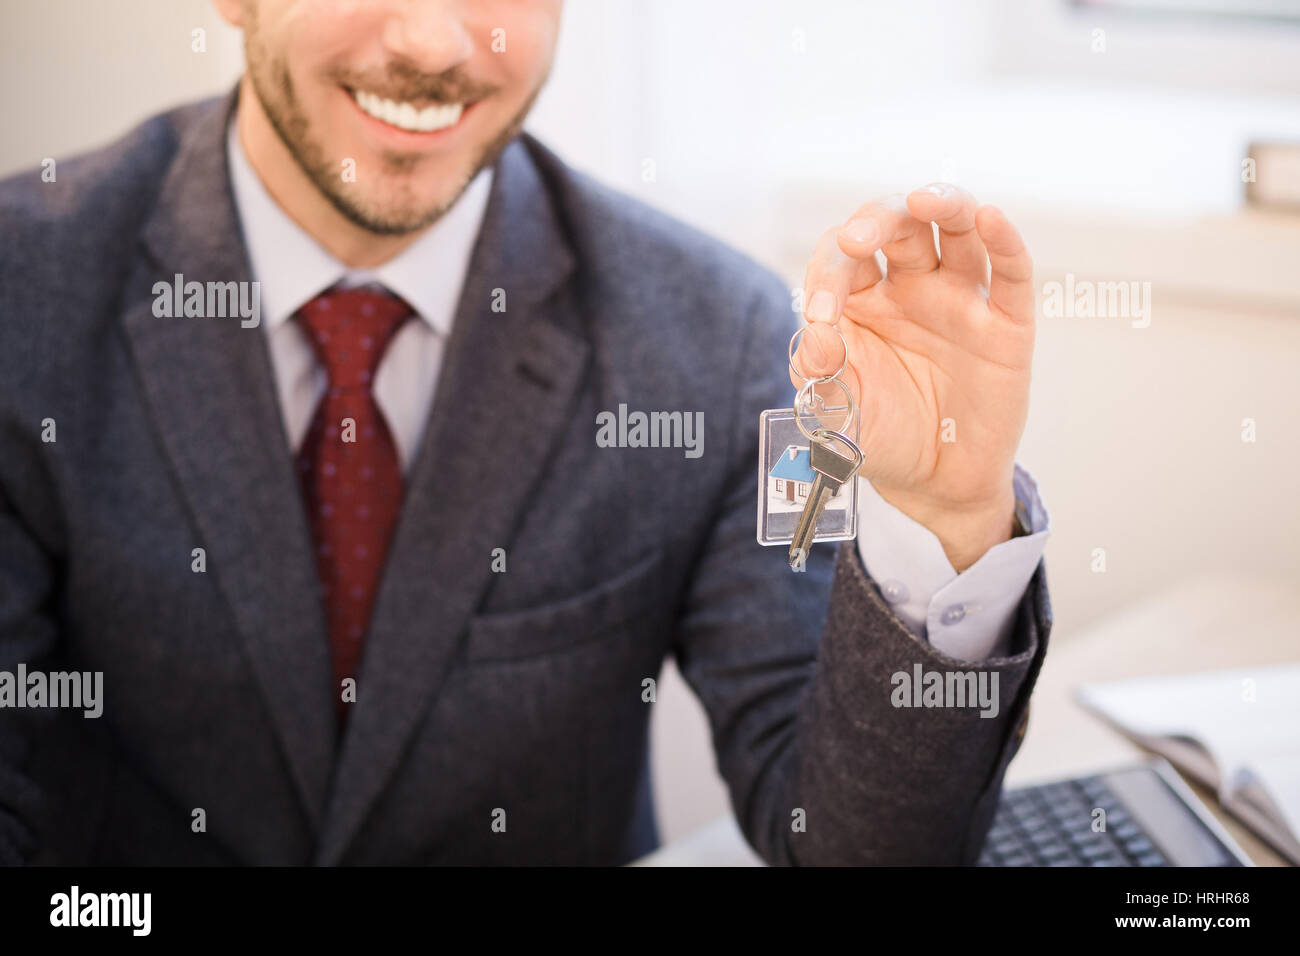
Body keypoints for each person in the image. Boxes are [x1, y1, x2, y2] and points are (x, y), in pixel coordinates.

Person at [0, 0, 1050, 865]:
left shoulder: (719, 337)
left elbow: (845, 845)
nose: (431, 44)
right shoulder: (23, 293)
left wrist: (943, 521)